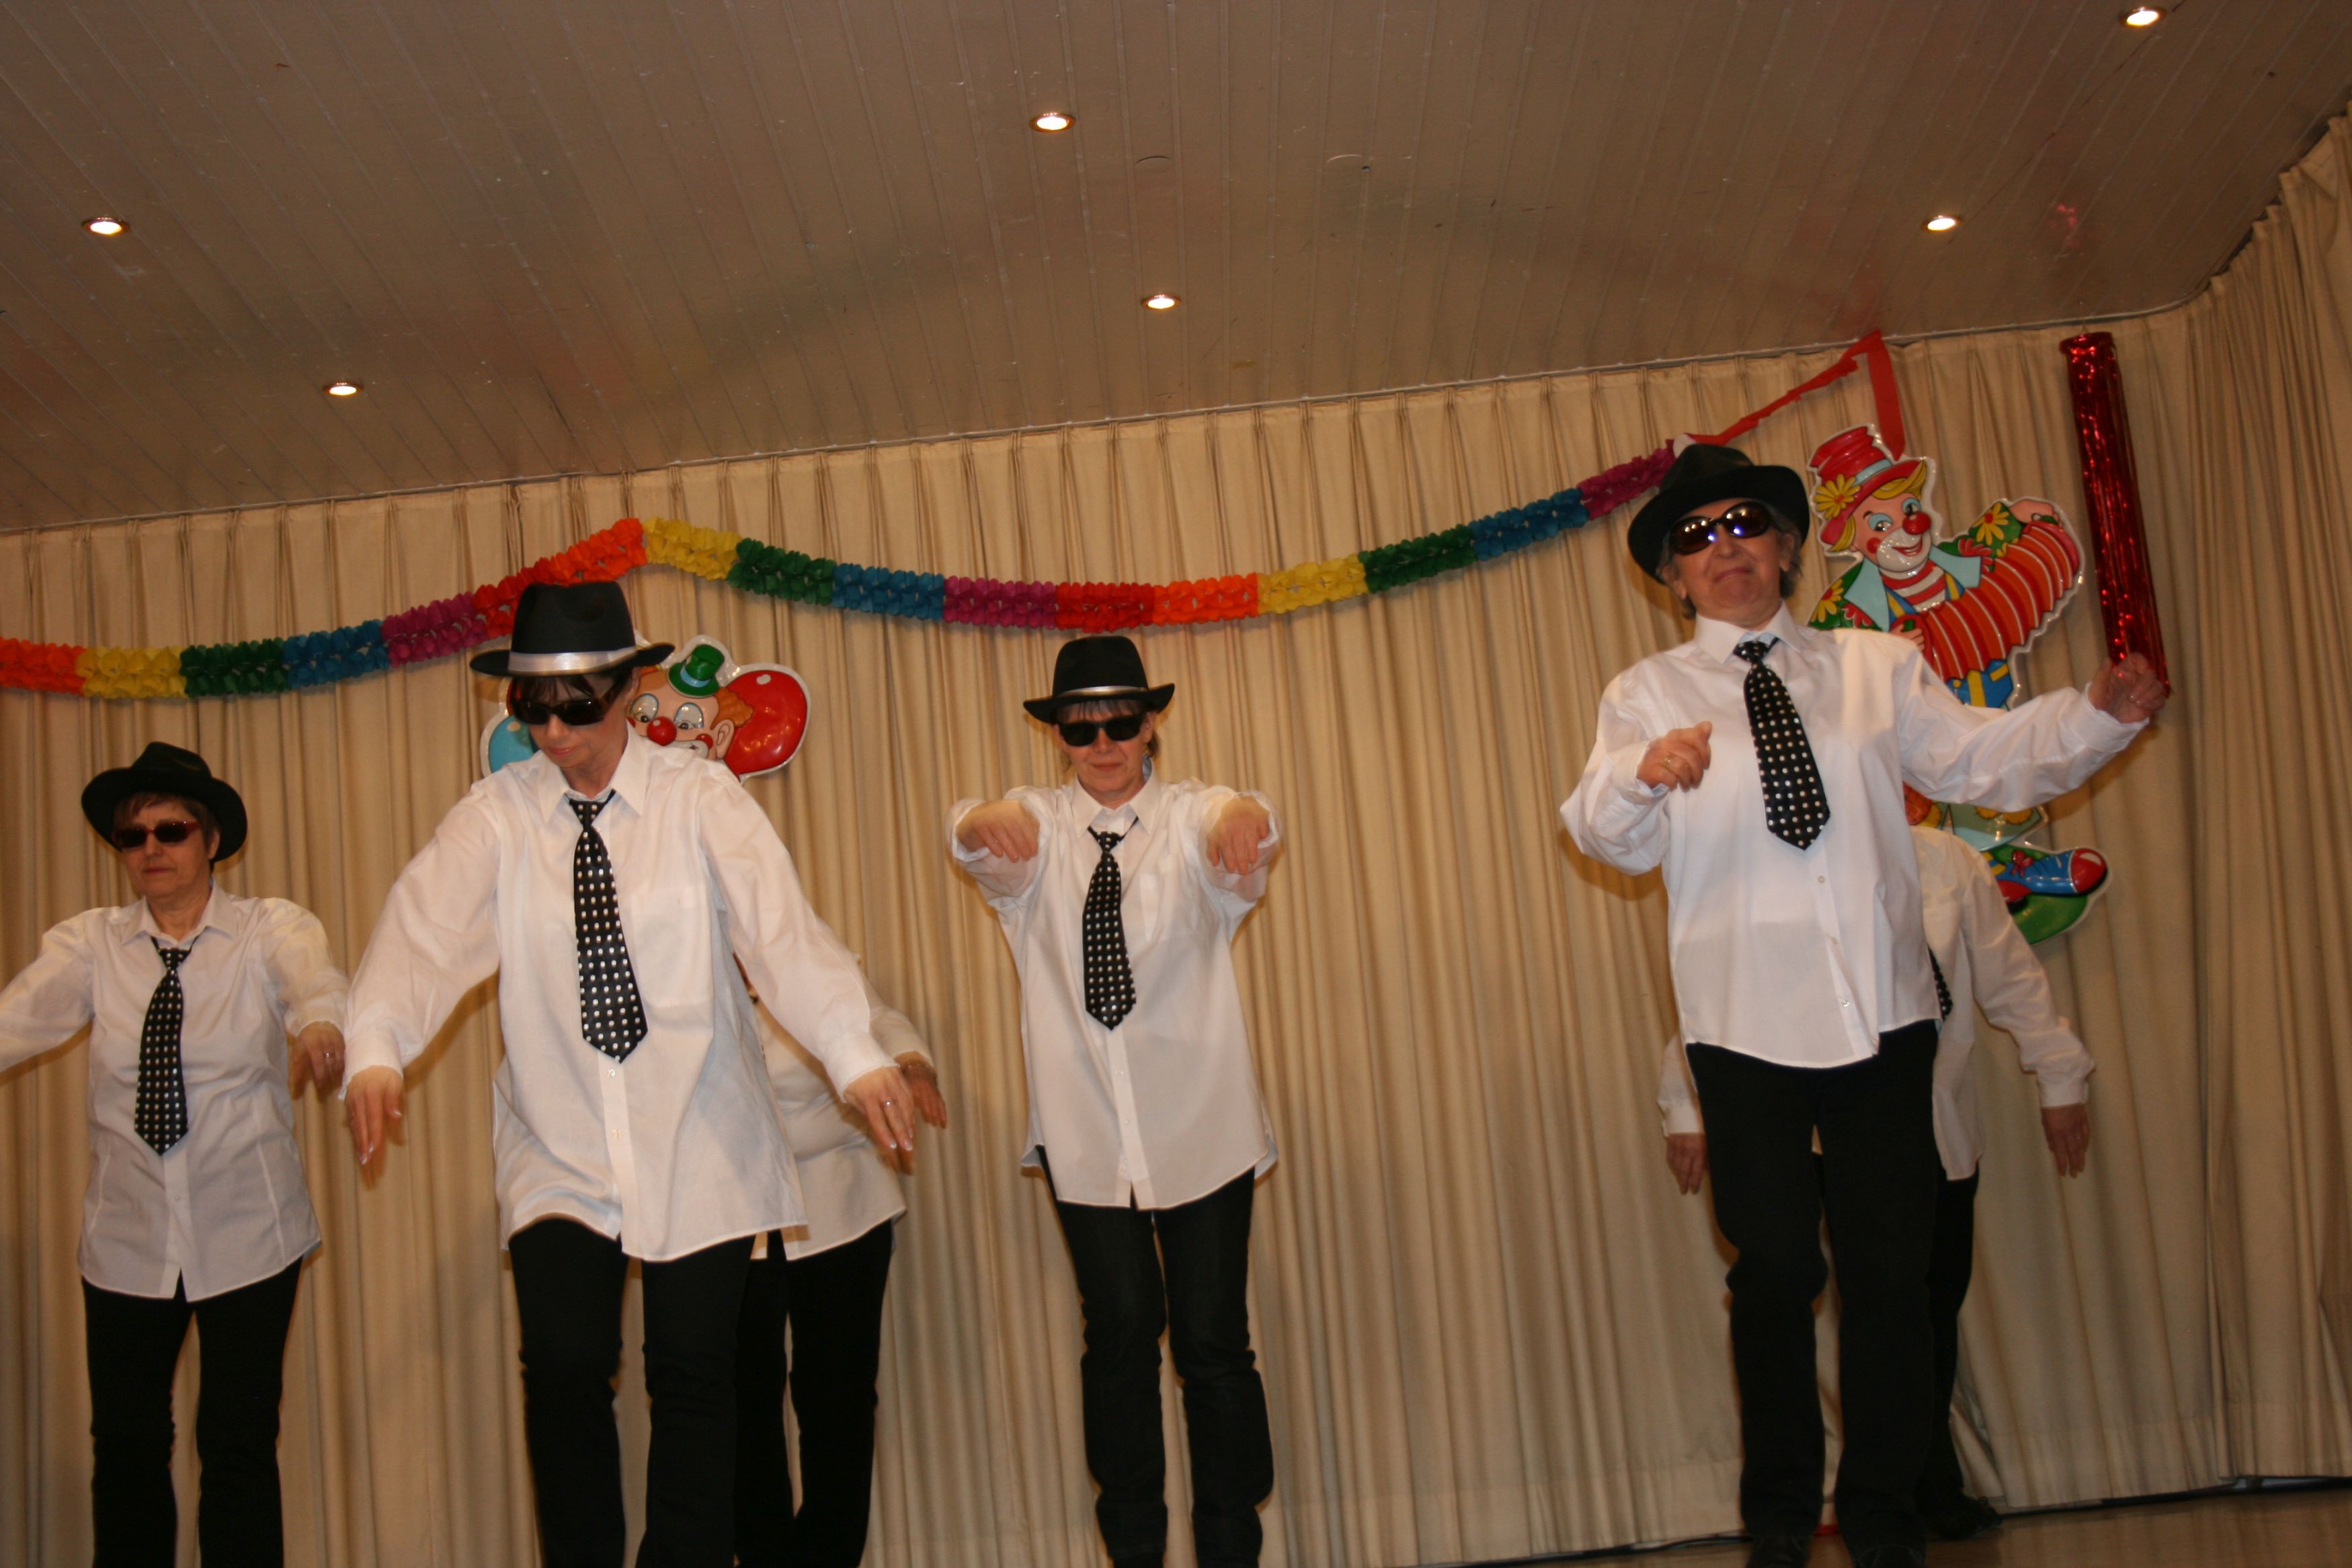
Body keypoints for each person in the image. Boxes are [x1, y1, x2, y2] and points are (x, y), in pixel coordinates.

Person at [1561, 442, 2166, 1568]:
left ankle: (1885, 1518)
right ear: (1672, 574)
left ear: (1786, 545)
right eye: (1695, 536)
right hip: (1741, 1027)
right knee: (1776, 1272)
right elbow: (1603, 834)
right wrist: (1641, 773)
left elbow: (1981, 760)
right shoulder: (1644, 694)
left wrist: (2094, 716)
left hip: (1882, 1019)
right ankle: (1780, 1520)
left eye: (1744, 523)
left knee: (1890, 1276)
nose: (1723, 547)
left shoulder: (1873, 665)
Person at [340, 581, 918, 1568]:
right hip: (559, 1139)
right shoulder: (498, 816)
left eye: (574, 707)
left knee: (694, 1370)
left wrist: (856, 1055)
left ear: (624, 691)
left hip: (701, 1132)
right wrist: (375, 1048)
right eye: (532, 709)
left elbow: (783, 934)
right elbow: (419, 933)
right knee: (564, 1362)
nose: (553, 732)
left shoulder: (700, 799)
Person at [1658, 819, 2099, 1543]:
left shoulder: (1946, 861)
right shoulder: (1780, 851)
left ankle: (1919, 1481)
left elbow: (2007, 972)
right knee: (1790, 1294)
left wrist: (2060, 1075)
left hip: (1931, 1120)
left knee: (1922, 1303)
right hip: (1804, 1128)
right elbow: (1727, 988)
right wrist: (1685, 1101)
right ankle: (1803, 1506)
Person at [950, 634, 1281, 1568]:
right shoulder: (1036, 829)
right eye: (1079, 727)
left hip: (1202, 1125)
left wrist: (1245, 818)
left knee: (1213, 1341)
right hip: (1085, 1134)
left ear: (1150, 724)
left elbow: (1243, 822)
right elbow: (972, 832)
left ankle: (1230, 1548)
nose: (1102, 743)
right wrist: (979, 816)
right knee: (1121, 1333)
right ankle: (1132, 1549)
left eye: (1120, 722)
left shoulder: (1190, 815)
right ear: (1056, 734)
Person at [0, 742, 348, 1567]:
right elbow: (13, 1020)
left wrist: (320, 1024)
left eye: (171, 830)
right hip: (127, 1240)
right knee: (126, 1445)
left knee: (237, 1442)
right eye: (133, 835)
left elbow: (314, 981)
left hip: (249, 1234)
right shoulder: (89, 944)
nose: (151, 848)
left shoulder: (270, 926)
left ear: (211, 839)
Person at [733, 970, 948, 1568]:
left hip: (842, 1198)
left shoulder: (808, 956)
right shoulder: (687, 969)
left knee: (838, 1396)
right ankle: (762, 1555)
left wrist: (913, 1066)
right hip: (733, 1211)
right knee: (742, 1398)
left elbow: (879, 1021)